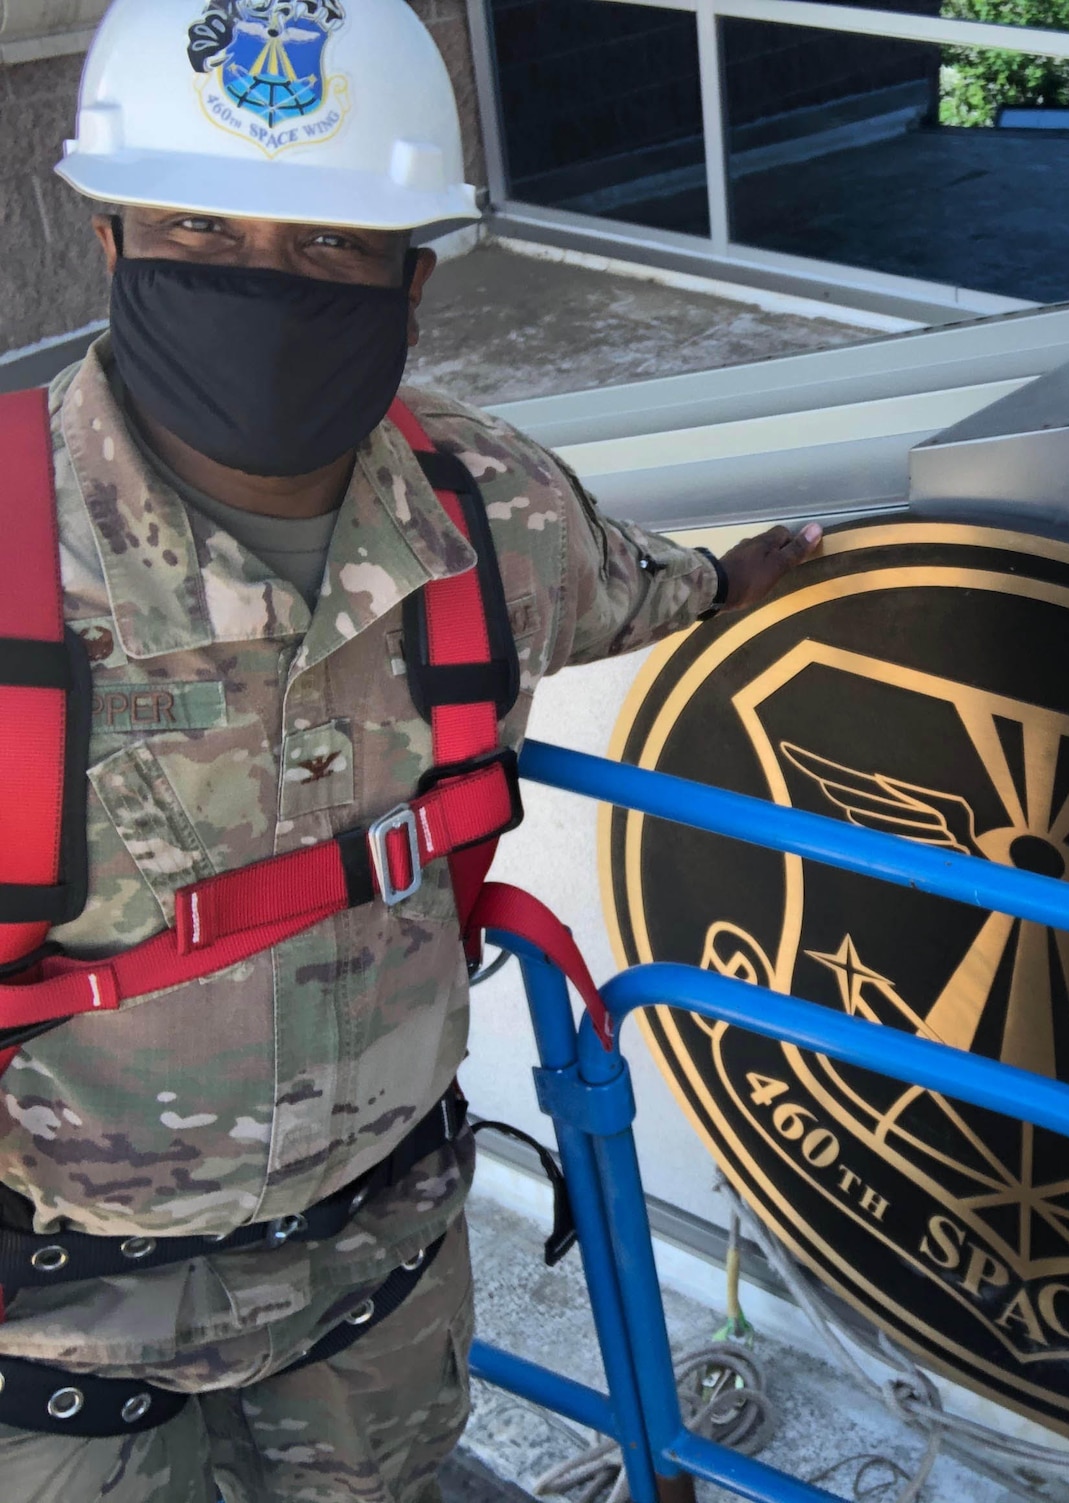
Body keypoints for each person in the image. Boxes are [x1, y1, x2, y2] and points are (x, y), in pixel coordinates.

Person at [0, 0, 818, 1497]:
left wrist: (761, 576)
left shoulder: (487, 508)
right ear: (111, 242)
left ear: (410, 281)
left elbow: (644, 586)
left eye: (326, 244)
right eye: (203, 225)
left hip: (377, 1283)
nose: (267, 279)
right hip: (51, 1340)